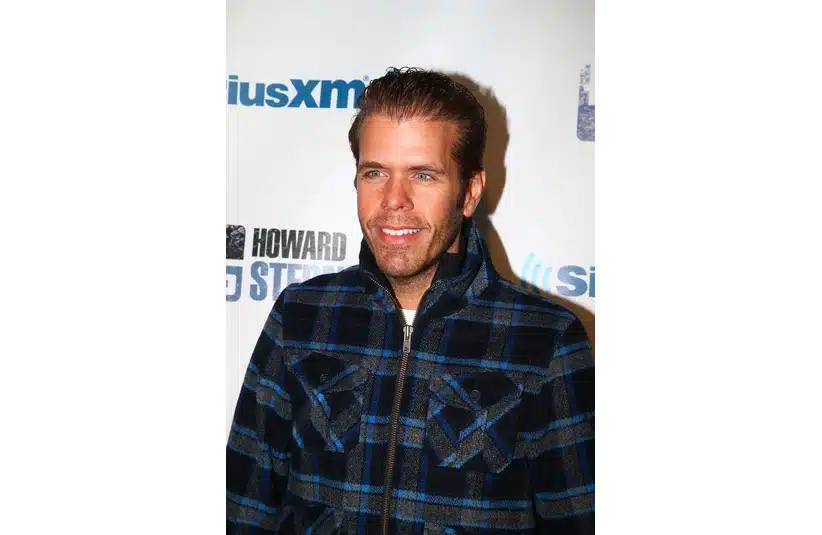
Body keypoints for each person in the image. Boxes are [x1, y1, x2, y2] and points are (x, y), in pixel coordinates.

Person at [224, 67, 600, 534]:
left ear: (469, 193)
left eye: (423, 175)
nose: (393, 199)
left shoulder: (546, 340)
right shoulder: (300, 314)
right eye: (375, 172)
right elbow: (243, 507)